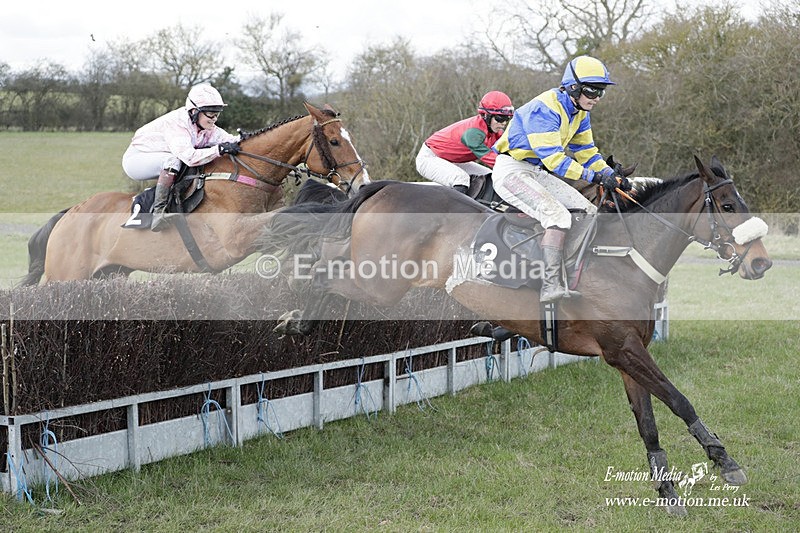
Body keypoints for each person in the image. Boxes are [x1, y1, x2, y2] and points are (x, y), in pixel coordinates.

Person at [491, 55, 631, 302]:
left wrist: (611, 175)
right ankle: (549, 284)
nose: (597, 98)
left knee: (587, 211)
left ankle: (568, 270)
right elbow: (556, 161)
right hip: (511, 171)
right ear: (574, 87)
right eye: (592, 91)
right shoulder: (544, 109)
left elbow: (587, 154)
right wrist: (596, 177)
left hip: (536, 171)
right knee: (558, 216)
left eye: (601, 92)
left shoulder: (580, 113)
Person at [122, 83, 241, 231]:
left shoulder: (204, 126)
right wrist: (218, 150)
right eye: (210, 113)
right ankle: (159, 213)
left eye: (217, 113)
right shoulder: (177, 124)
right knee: (174, 161)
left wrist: (248, 139)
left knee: (180, 161)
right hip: (136, 160)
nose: (214, 118)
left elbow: (230, 140)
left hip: (158, 157)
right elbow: (190, 158)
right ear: (194, 111)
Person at [416, 91, 514, 195]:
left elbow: (507, 152)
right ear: (486, 116)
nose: (503, 123)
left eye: (507, 118)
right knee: (461, 179)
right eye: (499, 118)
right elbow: (492, 160)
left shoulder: (496, 132)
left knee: (491, 177)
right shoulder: (473, 133)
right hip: (430, 158)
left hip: (451, 160)